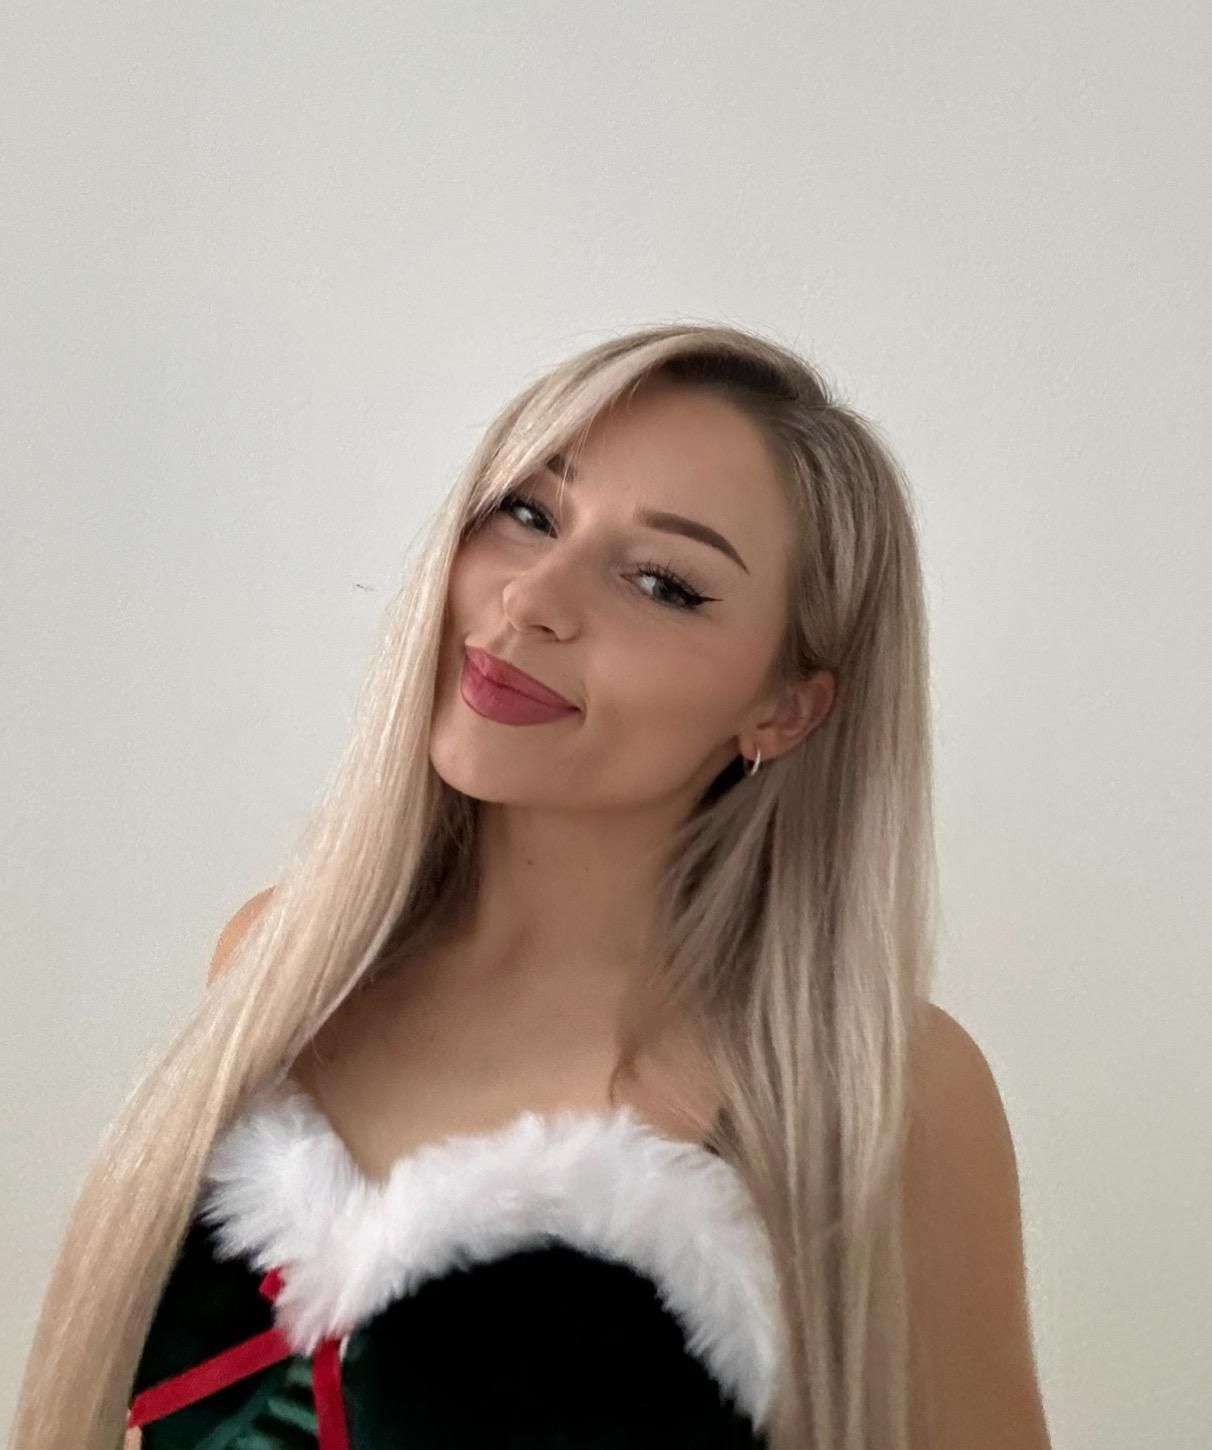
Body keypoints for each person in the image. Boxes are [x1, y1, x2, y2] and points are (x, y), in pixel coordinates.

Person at [11, 323, 1052, 1450]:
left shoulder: (876, 1091)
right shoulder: (279, 960)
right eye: (528, 513)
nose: (533, 598)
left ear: (785, 708)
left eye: (663, 582)